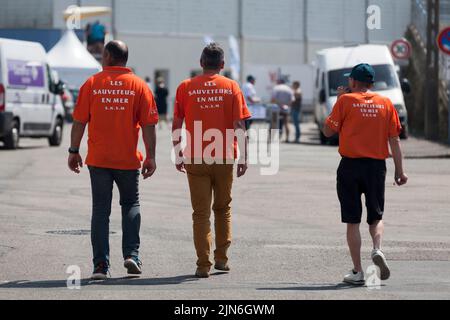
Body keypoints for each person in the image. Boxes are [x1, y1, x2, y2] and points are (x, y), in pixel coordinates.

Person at [68, 40, 159, 280]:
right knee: (130, 204)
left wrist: (73, 150)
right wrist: (151, 156)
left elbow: (79, 121)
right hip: (127, 159)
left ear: (107, 56)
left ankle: (100, 266)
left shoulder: (92, 84)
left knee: (100, 210)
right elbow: (149, 125)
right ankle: (132, 255)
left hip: (98, 159)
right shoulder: (139, 86)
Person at [322, 63, 408, 285]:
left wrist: (339, 101)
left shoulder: (345, 101)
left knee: (352, 220)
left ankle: (358, 272)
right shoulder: (386, 103)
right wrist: (400, 171)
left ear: (353, 82)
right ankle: (377, 249)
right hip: (376, 167)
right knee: (376, 216)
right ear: (371, 83)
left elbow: (328, 130)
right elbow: (395, 139)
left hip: (350, 165)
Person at [172, 43, 251, 278]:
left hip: (196, 156)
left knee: (200, 213)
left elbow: (177, 123)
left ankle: (202, 264)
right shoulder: (231, 87)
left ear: (201, 62)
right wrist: (244, 156)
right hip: (225, 154)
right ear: (222, 65)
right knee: (223, 208)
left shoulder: (186, 87)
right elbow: (239, 124)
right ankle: (222, 259)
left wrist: (178, 152)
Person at [271, 78, 294, 143]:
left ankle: (273, 138)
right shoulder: (289, 89)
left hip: (276, 108)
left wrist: (279, 104)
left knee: (274, 123)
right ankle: (287, 138)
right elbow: (292, 100)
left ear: (279, 82)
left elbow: (273, 99)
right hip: (286, 108)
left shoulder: (276, 88)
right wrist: (286, 105)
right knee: (286, 123)